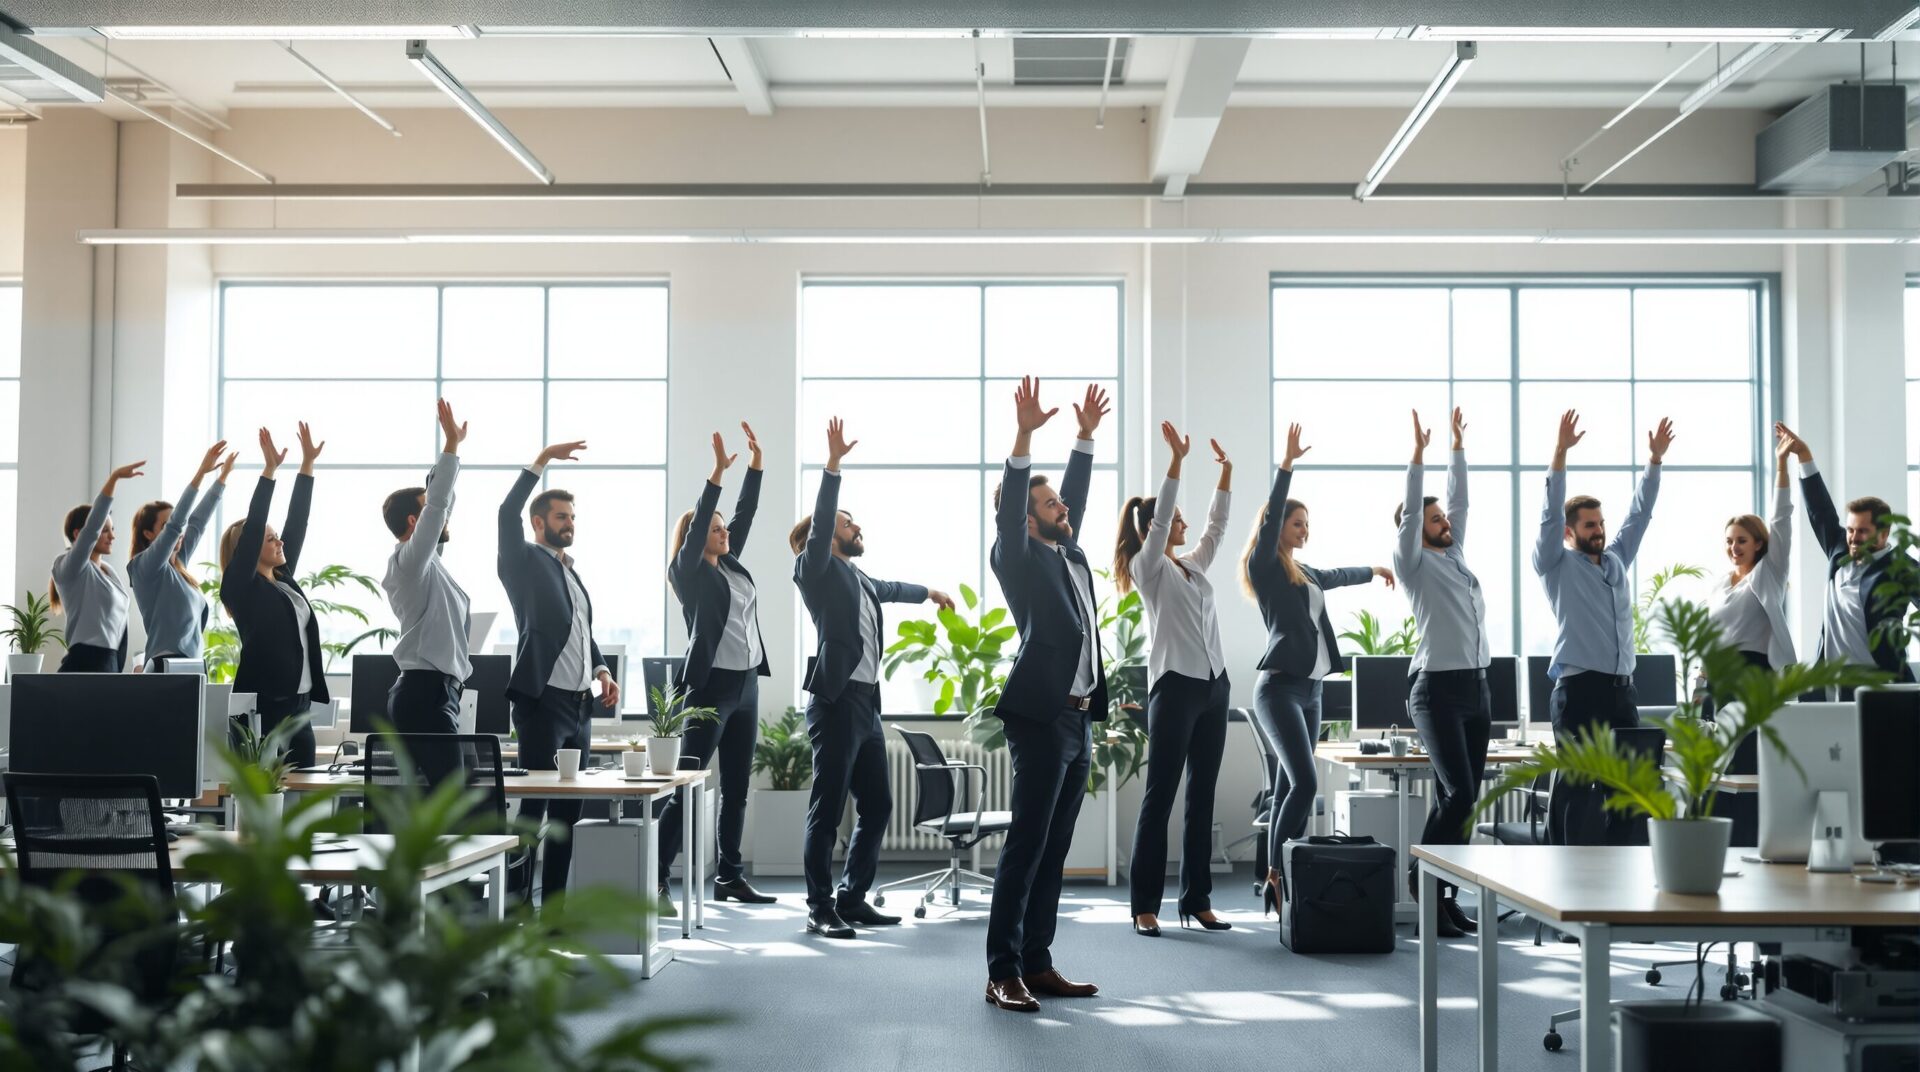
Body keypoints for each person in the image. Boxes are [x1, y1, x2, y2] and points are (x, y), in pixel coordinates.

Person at [790, 417, 954, 939]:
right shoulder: (815, 569)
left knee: (878, 804)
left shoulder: (858, 577)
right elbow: (820, 526)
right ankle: (819, 906)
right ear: (821, 537)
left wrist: (929, 592)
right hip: (835, 702)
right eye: (846, 523)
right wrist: (833, 467)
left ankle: (852, 897)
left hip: (865, 705)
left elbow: (891, 588)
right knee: (828, 808)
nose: (855, 527)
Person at [983, 377, 1110, 1015]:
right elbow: (1015, 511)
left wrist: (1084, 439)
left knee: (1055, 848)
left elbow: (1071, 501)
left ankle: (1037, 961)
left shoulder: (1067, 553)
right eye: (1049, 503)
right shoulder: (1017, 556)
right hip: (1040, 718)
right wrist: (1024, 436)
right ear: (1026, 519)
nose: (1063, 508)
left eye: (1061, 501)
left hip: (1080, 718)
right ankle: (1002, 971)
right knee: (1028, 846)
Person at [1241, 421, 1394, 918]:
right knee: (1304, 784)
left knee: (1294, 787)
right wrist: (1286, 466)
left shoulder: (1304, 572)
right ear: (1277, 527)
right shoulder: (1265, 566)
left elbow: (1336, 575)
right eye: (1297, 524)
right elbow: (1269, 525)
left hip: (1312, 691)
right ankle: (1274, 874)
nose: (1304, 530)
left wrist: (1374, 570)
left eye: (1307, 524)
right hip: (1279, 689)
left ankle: (1282, 877)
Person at [1533, 410, 1672, 846]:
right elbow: (1549, 516)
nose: (1599, 530)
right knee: (1575, 792)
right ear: (1570, 532)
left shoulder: (1615, 561)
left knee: (1629, 794)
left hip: (1621, 693)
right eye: (1589, 525)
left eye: (1600, 523)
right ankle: (1561, 874)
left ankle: (1619, 874)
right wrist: (1559, 454)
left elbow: (1639, 516)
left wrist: (1654, 462)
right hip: (1579, 692)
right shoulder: (1555, 564)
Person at [1116, 421, 1233, 938]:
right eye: (1174, 520)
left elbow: (1217, 529)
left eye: (1183, 519)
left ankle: (1196, 900)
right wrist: (1177, 462)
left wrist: (1226, 473)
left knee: (1201, 797)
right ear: (1152, 531)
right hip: (1175, 688)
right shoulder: (1149, 569)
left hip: (1214, 686)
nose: (1181, 524)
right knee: (1160, 796)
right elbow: (1161, 517)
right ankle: (1145, 905)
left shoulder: (1192, 567)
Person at [497, 438, 621, 902]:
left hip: (580, 706)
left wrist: (602, 670)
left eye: (572, 517)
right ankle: (514, 906)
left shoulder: (571, 572)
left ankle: (553, 913)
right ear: (538, 522)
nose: (569, 524)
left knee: (568, 815)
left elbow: (581, 631)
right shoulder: (523, 562)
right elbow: (505, 513)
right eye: (561, 517)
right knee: (534, 809)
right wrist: (541, 461)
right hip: (543, 702)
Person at [662, 424, 777, 911]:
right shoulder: (688, 572)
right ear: (695, 537)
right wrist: (716, 475)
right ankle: (657, 879)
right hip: (711, 688)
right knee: (686, 785)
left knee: (736, 788)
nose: (724, 531)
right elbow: (703, 520)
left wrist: (756, 465)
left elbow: (745, 513)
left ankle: (730, 876)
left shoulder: (731, 564)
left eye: (724, 527)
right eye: (714, 528)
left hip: (747, 685)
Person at [1394, 408, 1487, 938]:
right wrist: (1419, 456)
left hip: (1477, 687)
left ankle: (1443, 899)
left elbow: (1461, 502)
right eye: (1435, 521)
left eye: (1443, 519)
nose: (1445, 523)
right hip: (1437, 691)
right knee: (1461, 795)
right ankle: (1422, 881)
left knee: (1461, 804)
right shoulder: (1413, 564)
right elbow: (1413, 514)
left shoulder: (1457, 555)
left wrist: (1458, 448)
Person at [1777, 421, 1917, 689]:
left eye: (1862, 531)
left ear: (1883, 533)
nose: (1853, 537)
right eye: (1851, 529)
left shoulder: (1901, 567)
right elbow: (1820, 510)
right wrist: (1804, 456)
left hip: (1882, 684)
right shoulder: (1839, 549)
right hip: (1833, 680)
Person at [219, 424, 328, 768]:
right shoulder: (241, 587)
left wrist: (307, 464)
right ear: (249, 549)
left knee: (305, 789)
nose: (280, 541)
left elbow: (298, 523)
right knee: (265, 792)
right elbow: (255, 526)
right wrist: (269, 472)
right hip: (266, 707)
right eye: (270, 539)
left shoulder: (283, 579)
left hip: (300, 706)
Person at [381, 400, 474, 738]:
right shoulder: (409, 562)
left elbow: (442, 503)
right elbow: (436, 506)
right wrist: (451, 445)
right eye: (429, 515)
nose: (444, 518)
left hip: (440, 694)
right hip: (424, 694)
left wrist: (450, 456)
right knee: (449, 776)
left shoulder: (430, 563)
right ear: (413, 521)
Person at [129, 442, 236, 672]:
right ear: (148, 534)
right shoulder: (145, 567)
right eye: (165, 526)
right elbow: (177, 525)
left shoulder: (178, 564)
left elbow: (196, 522)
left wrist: (222, 478)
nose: (178, 532)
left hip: (192, 665)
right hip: (165, 665)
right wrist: (201, 473)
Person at [1703, 427, 1797, 677]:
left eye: (1741, 541)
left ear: (1757, 543)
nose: (1734, 548)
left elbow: (1781, 519)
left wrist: (1781, 465)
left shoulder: (1770, 572)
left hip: (1755, 673)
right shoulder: (1719, 585)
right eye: (1729, 541)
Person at [50, 460, 146, 672]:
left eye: (113, 529)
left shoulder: (110, 573)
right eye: (105, 530)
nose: (112, 536)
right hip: (84, 665)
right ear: (79, 534)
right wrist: (114, 479)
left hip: (108, 665)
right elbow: (92, 527)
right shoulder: (68, 567)